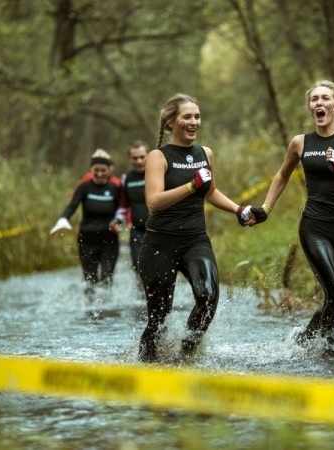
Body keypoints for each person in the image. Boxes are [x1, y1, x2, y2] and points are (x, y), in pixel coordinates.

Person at [249, 79, 334, 356]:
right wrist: (266, 208)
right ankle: (330, 353)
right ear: (310, 108)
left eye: (325, 98)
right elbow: (282, 175)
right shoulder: (301, 142)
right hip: (314, 227)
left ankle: (305, 342)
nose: (319, 102)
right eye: (314, 99)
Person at [137, 93, 253, 363]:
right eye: (187, 117)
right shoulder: (158, 157)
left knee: (208, 297)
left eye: (197, 117)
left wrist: (238, 209)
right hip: (159, 244)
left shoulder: (205, 154)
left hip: (195, 240)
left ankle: (183, 358)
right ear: (170, 122)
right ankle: (145, 366)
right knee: (159, 318)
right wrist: (191, 186)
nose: (194, 122)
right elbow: (153, 201)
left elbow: (210, 192)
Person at [50, 149, 124, 299]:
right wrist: (63, 219)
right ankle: (89, 307)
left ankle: (107, 308)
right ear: (91, 170)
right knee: (90, 279)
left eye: (103, 170)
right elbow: (72, 206)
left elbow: (121, 210)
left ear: (109, 170)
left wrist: (118, 223)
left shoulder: (115, 188)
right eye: (96, 170)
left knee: (107, 277)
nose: (99, 174)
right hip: (87, 240)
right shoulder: (84, 187)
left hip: (109, 240)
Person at [115, 140, 150, 279]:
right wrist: (118, 221)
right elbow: (123, 205)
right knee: (138, 267)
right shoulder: (126, 179)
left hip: (159, 230)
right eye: (135, 158)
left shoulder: (159, 174)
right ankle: (141, 292)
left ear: (149, 155)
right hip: (137, 231)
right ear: (129, 159)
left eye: (142, 157)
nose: (139, 161)